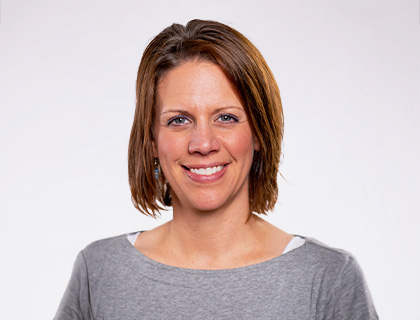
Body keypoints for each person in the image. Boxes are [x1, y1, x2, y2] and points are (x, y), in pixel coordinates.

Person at [54, 19, 378, 319]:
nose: (203, 143)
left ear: (259, 134)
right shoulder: (100, 272)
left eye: (226, 117)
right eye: (178, 120)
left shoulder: (327, 278)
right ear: (151, 140)